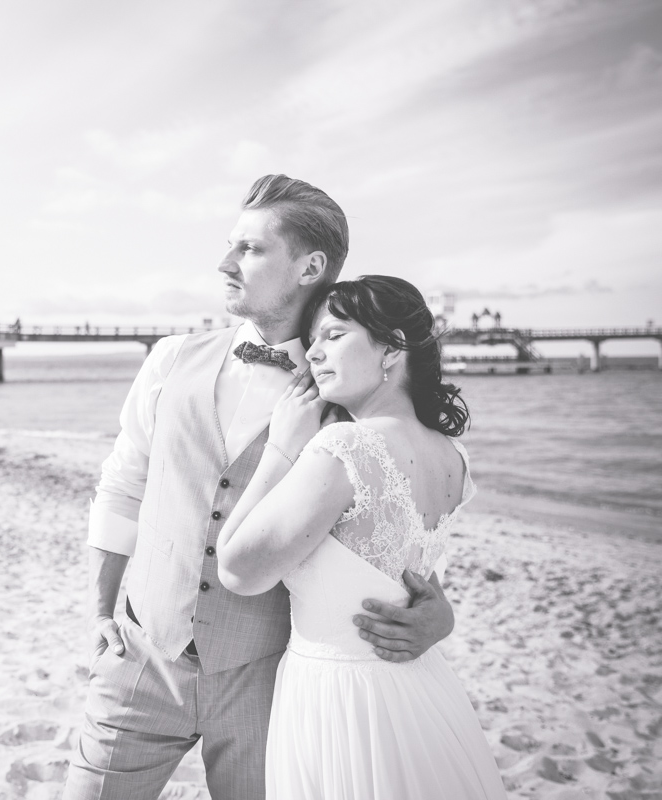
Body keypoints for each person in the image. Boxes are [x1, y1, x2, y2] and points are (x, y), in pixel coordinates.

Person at [63, 176, 457, 799]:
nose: (225, 263)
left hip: (268, 682)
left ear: (311, 266)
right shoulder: (169, 359)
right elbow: (123, 484)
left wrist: (439, 613)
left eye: (249, 249)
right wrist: (98, 610)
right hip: (142, 656)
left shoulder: (352, 396)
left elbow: (398, 517)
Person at [217, 275, 507, 798]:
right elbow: (411, 576)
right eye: (313, 341)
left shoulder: (344, 446)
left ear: (392, 349)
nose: (314, 355)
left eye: (334, 335)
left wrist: (282, 449)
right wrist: (443, 616)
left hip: (340, 697)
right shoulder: (452, 456)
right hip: (420, 687)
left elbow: (237, 570)